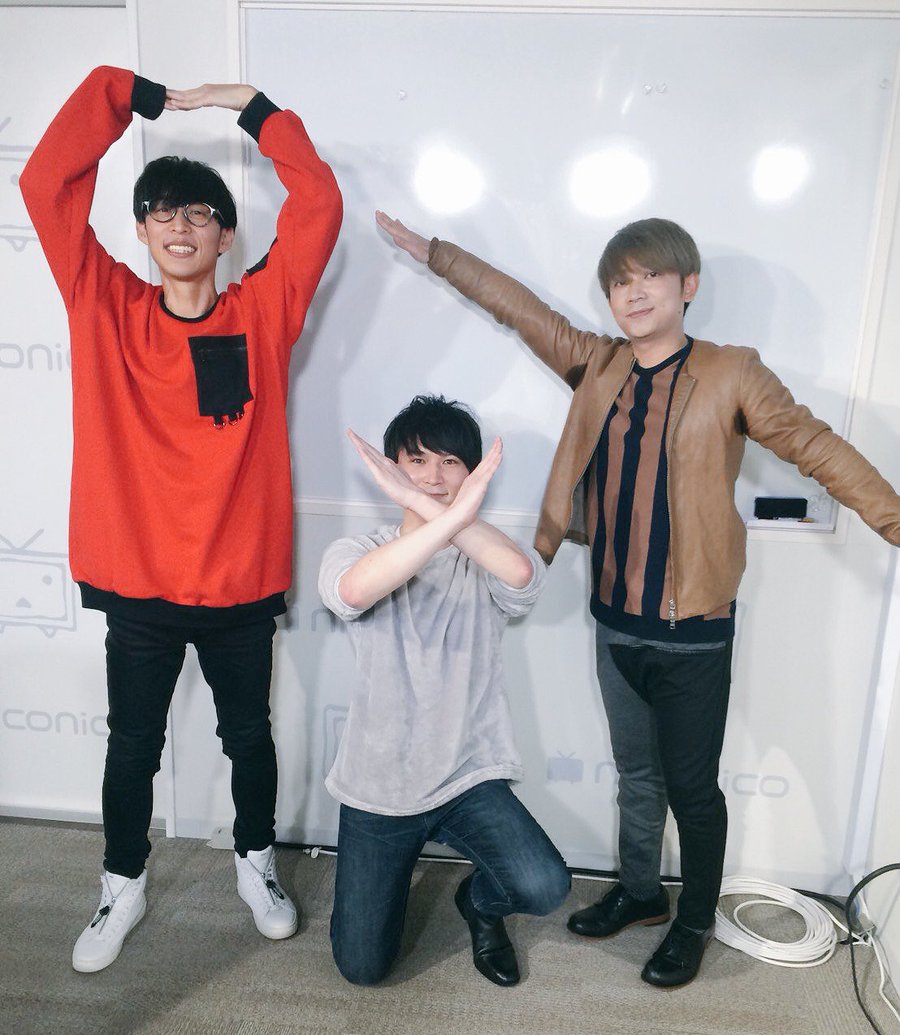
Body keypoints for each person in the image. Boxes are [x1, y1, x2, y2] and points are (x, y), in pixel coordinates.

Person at [374, 212, 900, 988]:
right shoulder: (599, 365)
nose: (634, 292)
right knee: (638, 779)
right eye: (620, 282)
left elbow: (816, 446)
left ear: (688, 285)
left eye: (650, 275)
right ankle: (643, 893)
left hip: (695, 631)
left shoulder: (732, 372)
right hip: (615, 622)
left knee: (693, 789)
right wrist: (441, 256)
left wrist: (893, 519)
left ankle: (694, 922)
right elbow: (521, 311)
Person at [19, 66, 342, 972]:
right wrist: (128, 93)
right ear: (141, 230)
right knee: (134, 745)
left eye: (199, 213)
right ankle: (122, 881)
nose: (180, 225)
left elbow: (319, 202)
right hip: (140, 580)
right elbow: (45, 182)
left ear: (226, 235)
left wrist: (252, 109)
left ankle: (255, 863)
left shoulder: (263, 312)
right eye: (162, 212)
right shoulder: (103, 304)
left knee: (249, 738)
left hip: (238, 580)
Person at [318, 396, 570, 987]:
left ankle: (478, 903)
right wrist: (429, 512)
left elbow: (521, 575)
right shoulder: (357, 550)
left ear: (473, 473)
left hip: (466, 776)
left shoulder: (487, 555)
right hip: (378, 786)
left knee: (543, 887)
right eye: (417, 461)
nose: (433, 476)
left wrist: (431, 509)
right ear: (392, 468)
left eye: (450, 462)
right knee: (361, 968)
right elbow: (352, 592)